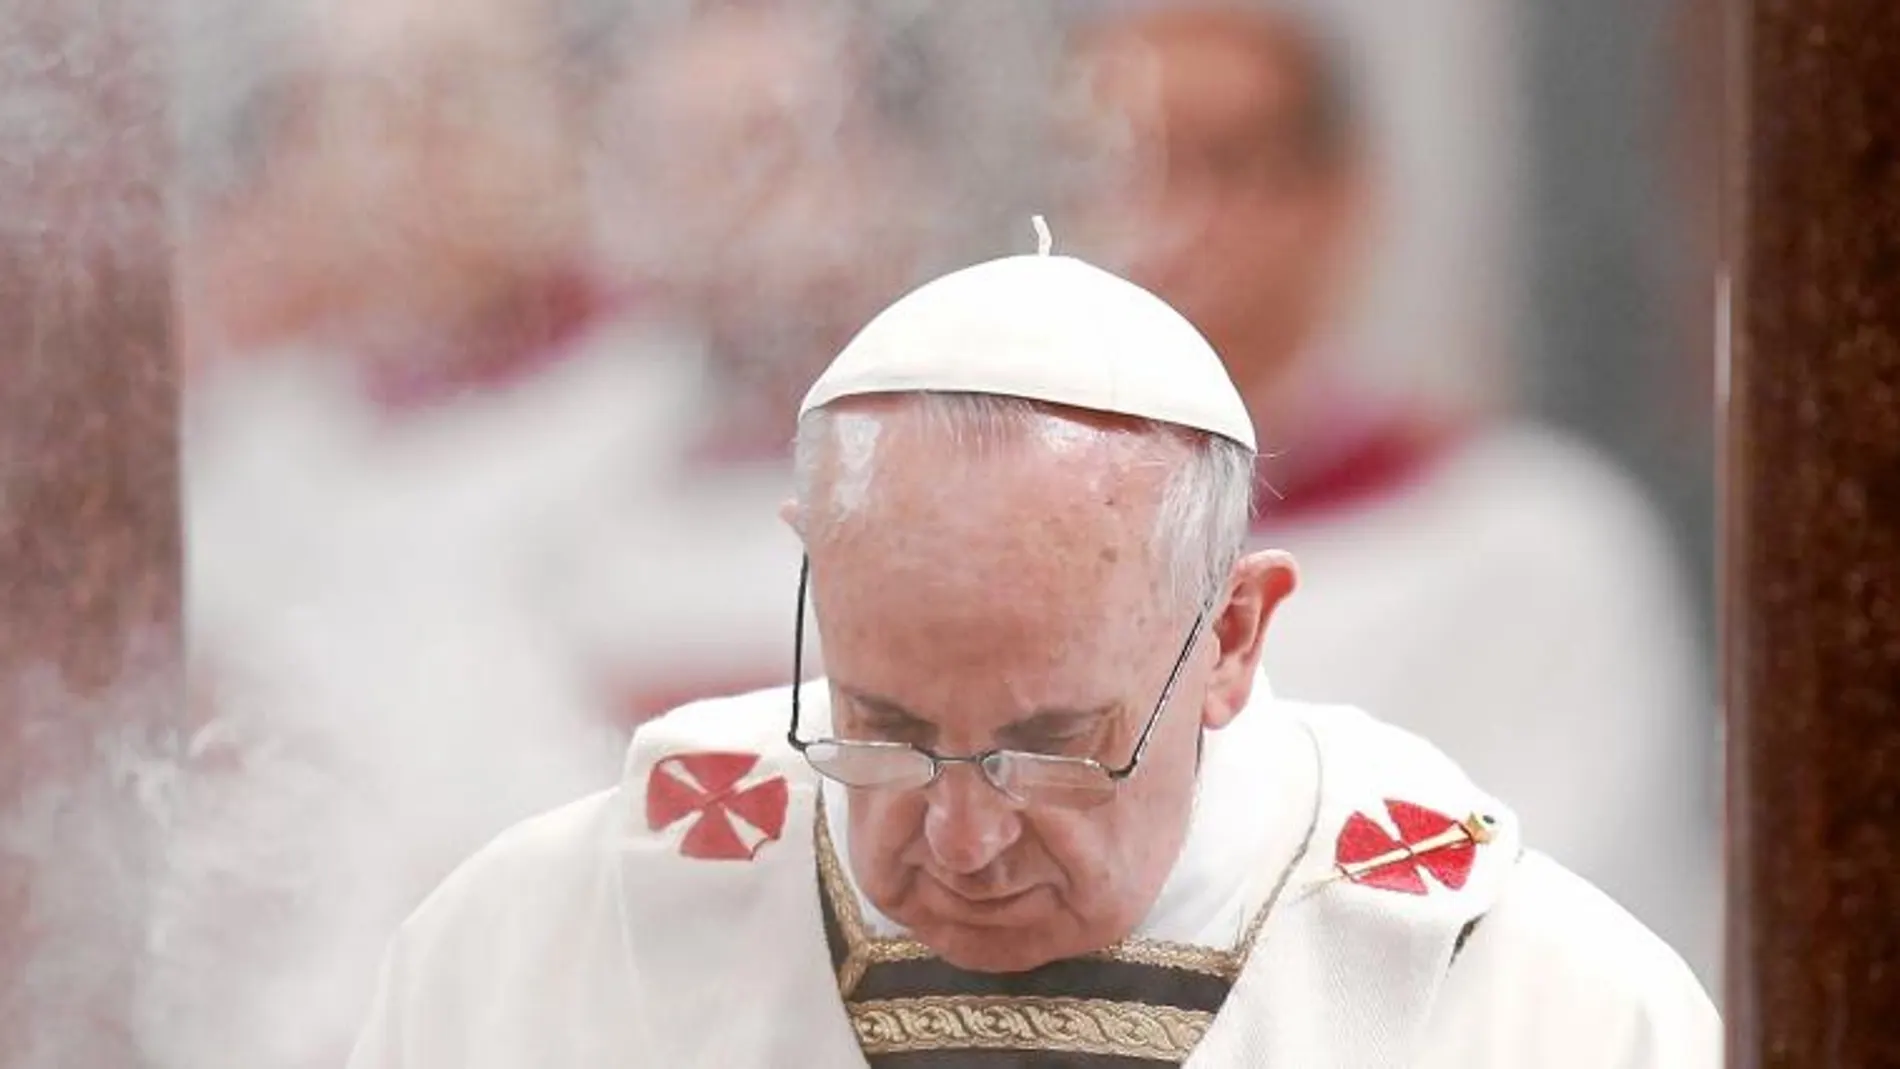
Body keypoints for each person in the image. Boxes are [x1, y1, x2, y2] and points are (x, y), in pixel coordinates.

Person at [346, 238, 1718, 1067]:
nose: (957, 836)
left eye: (1049, 748)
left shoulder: (1519, 997)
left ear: (1232, 634)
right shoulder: (548, 940)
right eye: (880, 724)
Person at [1055, 6, 1719, 981]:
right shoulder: (1006, 555)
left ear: (1339, 198)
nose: (1167, 222)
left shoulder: (1534, 548)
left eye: (1224, 162)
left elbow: (1563, 931)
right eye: (1121, 169)